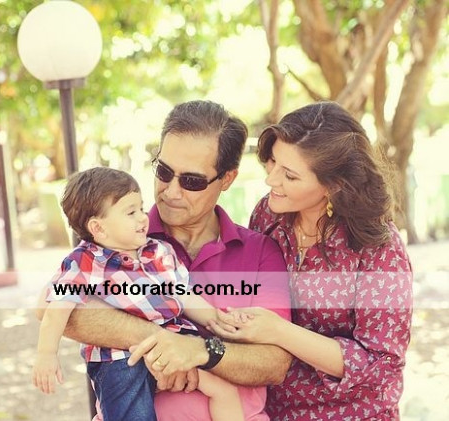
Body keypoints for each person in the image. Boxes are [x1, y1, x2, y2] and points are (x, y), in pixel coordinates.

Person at [39, 100, 293, 420]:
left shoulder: (259, 252)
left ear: (227, 179)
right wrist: (164, 343)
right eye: (164, 171)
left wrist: (200, 352)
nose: (171, 192)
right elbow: (52, 309)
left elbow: (273, 364)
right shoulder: (115, 241)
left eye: (192, 181)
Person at [207, 101, 413, 420]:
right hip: (271, 411)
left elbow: (381, 364)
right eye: (273, 162)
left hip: (351, 413)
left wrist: (279, 332)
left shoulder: (378, 247)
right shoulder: (268, 215)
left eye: (289, 175)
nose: (271, 180)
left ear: (334, 185)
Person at [33, 166, 247, 421]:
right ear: (98, 228)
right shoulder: (85, 261)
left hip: (173, 345)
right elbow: (56, 309)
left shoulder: (158, 251)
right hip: (120, 359)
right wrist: (46, 354)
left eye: (141, 208)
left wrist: (217, 319)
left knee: (224, 390)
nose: (143, 218)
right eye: (131, 212)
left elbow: (183, 294)